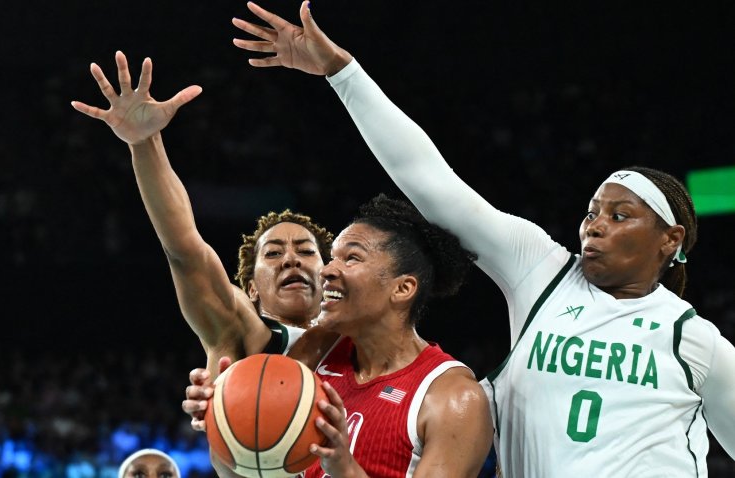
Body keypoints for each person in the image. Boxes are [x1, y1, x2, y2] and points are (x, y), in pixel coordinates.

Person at [230, 2, 735, 476]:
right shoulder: (543, 272)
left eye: (620, 215)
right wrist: (343, 74)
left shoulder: (696, 341)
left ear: (670, 239)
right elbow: (432, 182)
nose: (595, 224)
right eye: (592, 212)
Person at [71, 51, 335, 377]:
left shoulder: (367, 346)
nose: (291, 260)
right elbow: (184, 248)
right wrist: (144, 143)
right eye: (274, 252)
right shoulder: (239, 332)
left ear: (328, 275)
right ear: (251, 288)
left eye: (307, 251)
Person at [192, 194, 494, 478]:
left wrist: (344, 468)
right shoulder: (316, 353)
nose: (326, 270)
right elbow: (251, 471)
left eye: (351, 258)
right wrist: (223, 423)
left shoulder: (452, 398)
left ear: (402, 289)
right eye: (332, 257)